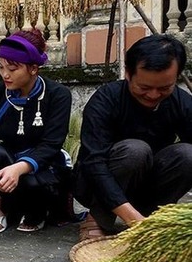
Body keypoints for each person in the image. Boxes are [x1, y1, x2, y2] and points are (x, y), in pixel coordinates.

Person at [74, 34, 192, 240]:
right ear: (128, 74)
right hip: (95, 184)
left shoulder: (182, 103)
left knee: (188, 154)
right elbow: (94, 162)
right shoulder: (106, 99)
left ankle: (151, 218)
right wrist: (131, 218)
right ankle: (98, 218)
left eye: (164, 88)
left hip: (147, 188)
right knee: (135, 150)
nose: (154, 95)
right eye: (144, 88)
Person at [0, 30, 72, 233]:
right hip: (8, 157)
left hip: (44, 162)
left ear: (33, 68)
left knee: (31, 181)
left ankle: (36, 211)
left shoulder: (58, 95)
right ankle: (2, 207)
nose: (5, 75)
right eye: (0, 67)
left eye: (12, 68)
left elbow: (52, 144)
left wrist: (19, 168)